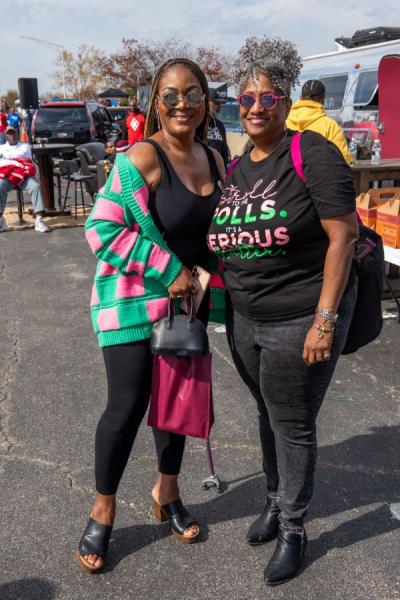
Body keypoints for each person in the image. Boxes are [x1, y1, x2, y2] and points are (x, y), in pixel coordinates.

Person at [208, 37, 358, 585]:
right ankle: (274, 501)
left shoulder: (310, 152)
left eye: (267, 99)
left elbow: (344, 236)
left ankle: (294, 527)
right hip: (245, 318)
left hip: (299, 317)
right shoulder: (236, 166)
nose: (254, 108)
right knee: (266, 412)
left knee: (292, 424)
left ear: (286, 104)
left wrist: (324, 320)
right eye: (245, 99)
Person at [77, 57, 225, 573]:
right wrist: (168, 268)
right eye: (171, 95)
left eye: (192, 93)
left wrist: (211, 274)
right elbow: (101, 229)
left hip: (186, 307)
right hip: (131, 305)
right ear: (155, 103)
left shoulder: (215, 158)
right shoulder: (141, 157)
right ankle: (103, 508)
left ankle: (168, 492)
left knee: (176, 405)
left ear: (205, 100)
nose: (182, 104)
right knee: (126, 406)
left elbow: (217, 233)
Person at [287, 79, 352, 164]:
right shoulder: (330, 126)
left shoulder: (284, 122)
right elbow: (344, 159)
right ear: (323, 98)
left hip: (288, 171)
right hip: (319, 171)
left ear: (300, 98)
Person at [0, 125, 51, 232]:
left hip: (24, 176)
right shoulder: (1, 147)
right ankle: (0, 219)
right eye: (9, 133)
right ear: (6, 135)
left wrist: (7, 159)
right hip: (8, 176)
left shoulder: (25, 146)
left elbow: (25, 159)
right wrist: (15, 161)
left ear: (17, 133)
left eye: (13, 133)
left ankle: (39, 220)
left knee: (35, 187)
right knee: (0, 185)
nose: (12, 135)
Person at [207, 88, 230, 167]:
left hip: (218, 171)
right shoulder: (196, 125)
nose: (220, 106)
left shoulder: (219, 125)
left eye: (220, 103)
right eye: (216, 103)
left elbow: (224, 152)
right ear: (206, 102)